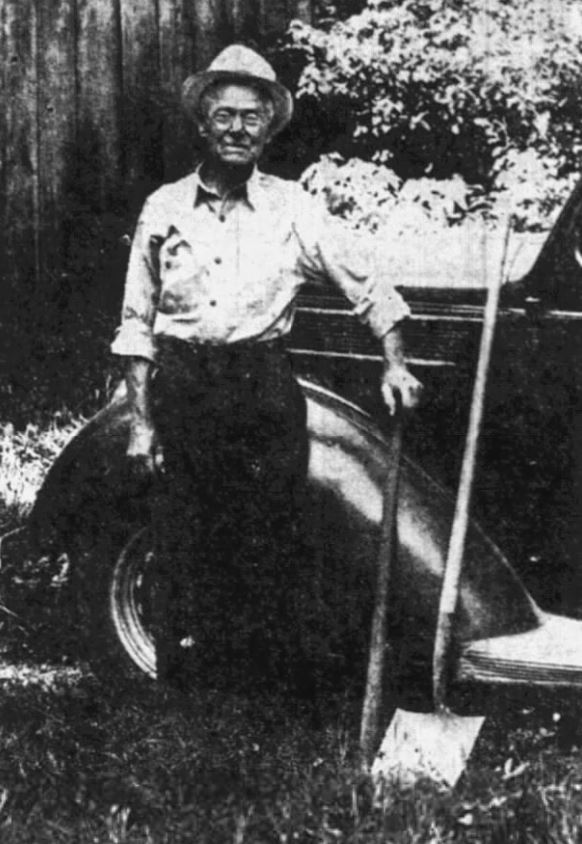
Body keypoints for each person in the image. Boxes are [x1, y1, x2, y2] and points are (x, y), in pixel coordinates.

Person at [111, 44, 422, 692]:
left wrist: (394, 363)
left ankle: (260, 700)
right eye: (224, 115)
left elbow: (369, 286)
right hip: (186, 391)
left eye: (252, 118)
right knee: (183, 543)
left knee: (267, 545)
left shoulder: (294, 209)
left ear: (268, 127)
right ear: (202, 123)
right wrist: (142, 421)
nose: (237, 130)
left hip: (261, 394)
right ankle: (184, 699)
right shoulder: (163, 208)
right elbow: (136, 323)